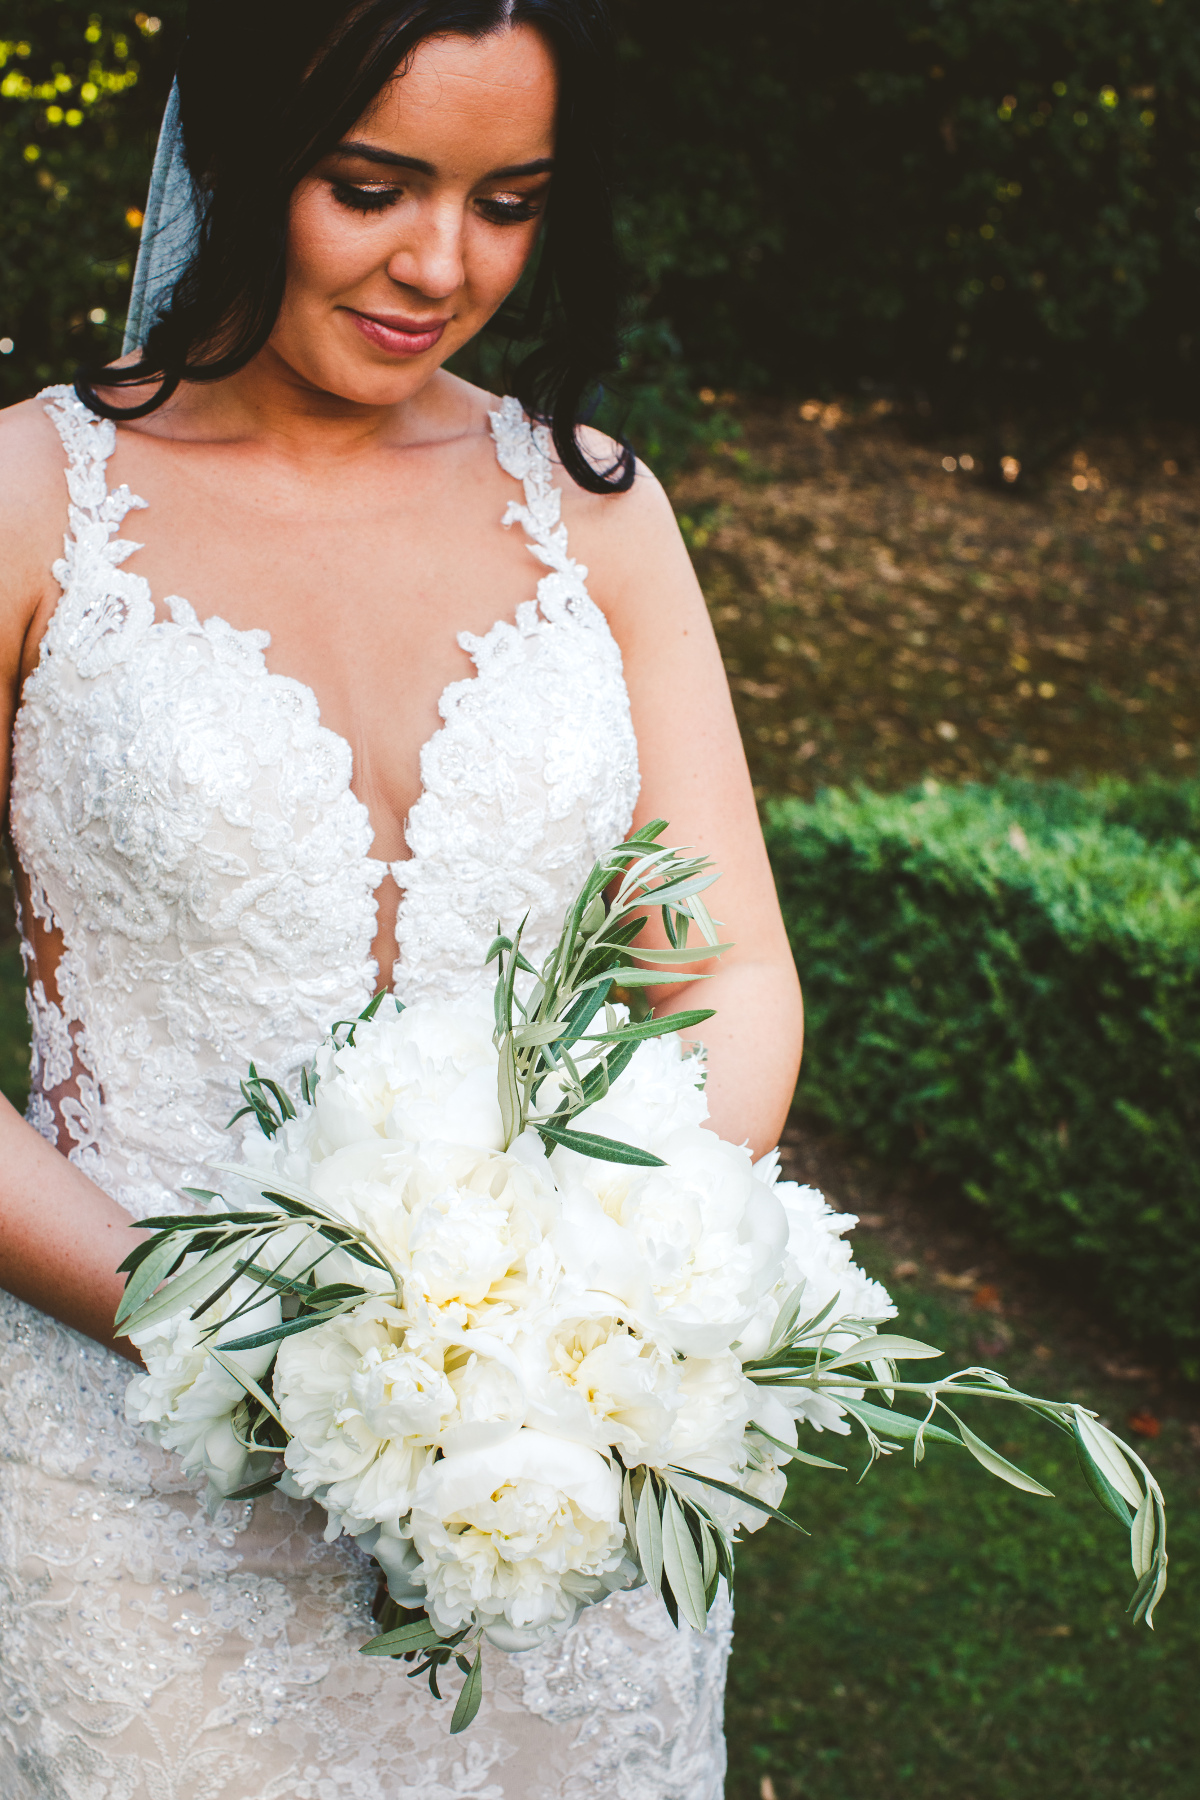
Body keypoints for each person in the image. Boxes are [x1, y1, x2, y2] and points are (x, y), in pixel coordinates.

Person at [0, 1, 804, 1793]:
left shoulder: (601, 518)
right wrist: (228, 1329)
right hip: (126, 1507)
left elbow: (729, 967)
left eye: (507, 201)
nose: (441, 263)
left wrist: (601, 1312)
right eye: (372, 187)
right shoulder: (27, 502)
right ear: (243, 152)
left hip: (554, 1511)